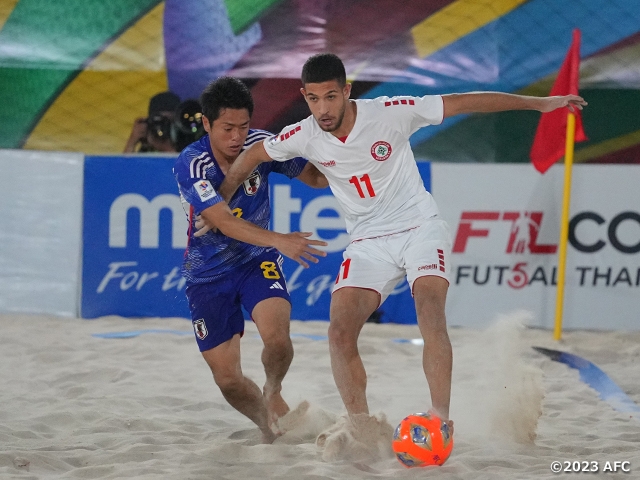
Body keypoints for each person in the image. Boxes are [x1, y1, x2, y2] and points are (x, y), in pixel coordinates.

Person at [217, 53, 587, 435]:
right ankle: (360, 426)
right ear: (304, 96)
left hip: (419, 228)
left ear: (346, 91)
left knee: (429, 309)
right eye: (313, 99)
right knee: (339, 330)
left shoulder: (391, 112)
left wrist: (540, 104)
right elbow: (254, 155)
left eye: (330, 96)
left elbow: (467, 101)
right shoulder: (303, 134)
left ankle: (440, 421)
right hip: (367, 243)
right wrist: (220, 201)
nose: (322, 109)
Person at [173, 76, 329, 443]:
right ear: (207, 123)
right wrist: (282, 240)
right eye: (227, 128)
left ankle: (273, 389)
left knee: (278, 340)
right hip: (207, 276)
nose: (237, 137)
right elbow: (223, 222)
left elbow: (316, 178)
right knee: (227, 379)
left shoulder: (262, 144)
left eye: (243, 126)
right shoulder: (191, 164)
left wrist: (342, 155)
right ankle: (266, 423)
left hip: (256, 262)